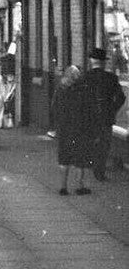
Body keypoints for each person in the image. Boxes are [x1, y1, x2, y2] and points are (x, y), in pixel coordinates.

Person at [80, 47, 127, 183]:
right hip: (106, 116)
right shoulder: (111, 78)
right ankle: (99, 171)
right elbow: (121, 97)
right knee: (104, 144)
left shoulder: (85, 77)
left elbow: (80, 97)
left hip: (89, 115)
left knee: (90, 140)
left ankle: (90, 163)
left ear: (92, 61)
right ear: (103, 62)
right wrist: (112, 109)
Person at [52, 65, 89, 195]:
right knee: (80, 159)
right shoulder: (82, 90)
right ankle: (80, 187)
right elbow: (86, 111)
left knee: (63, 158)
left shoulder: (60, 89)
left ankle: (63, 187)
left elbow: (55, 107)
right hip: (79, 128)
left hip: (64, 128)